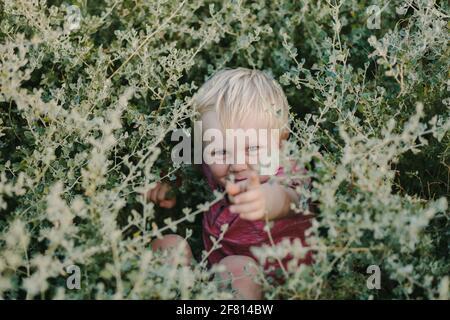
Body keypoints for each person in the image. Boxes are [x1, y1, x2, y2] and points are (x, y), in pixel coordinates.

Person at [147, 68, 313, 299]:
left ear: (281, 144)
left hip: (277, 285)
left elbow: (292, 198)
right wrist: (171, 185)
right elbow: (191, 166)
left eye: (253, 148)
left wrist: (268, 200)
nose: (237, 164)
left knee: (238, 268)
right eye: (220, 151)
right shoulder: (217, 166)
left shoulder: (288, 172)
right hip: (216, 276)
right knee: (167, 246)